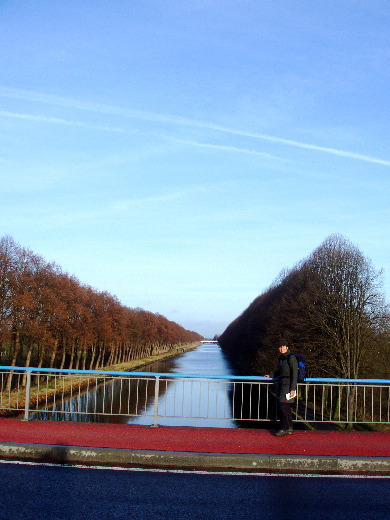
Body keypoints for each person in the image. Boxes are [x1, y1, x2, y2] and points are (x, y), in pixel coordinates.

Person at [265, 340, 298, 436]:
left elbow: (294, 374)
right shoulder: (281, 358)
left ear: (287, 347)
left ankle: (284, 428)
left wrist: (293, 389)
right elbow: (279, 371)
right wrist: (271, 375)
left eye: (283, 347)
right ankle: (290, 427)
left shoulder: (291, 358)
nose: (281, 348)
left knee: (283, 407)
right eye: (280, 347)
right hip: (282, 384)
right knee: (286, 407)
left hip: (288, 386)